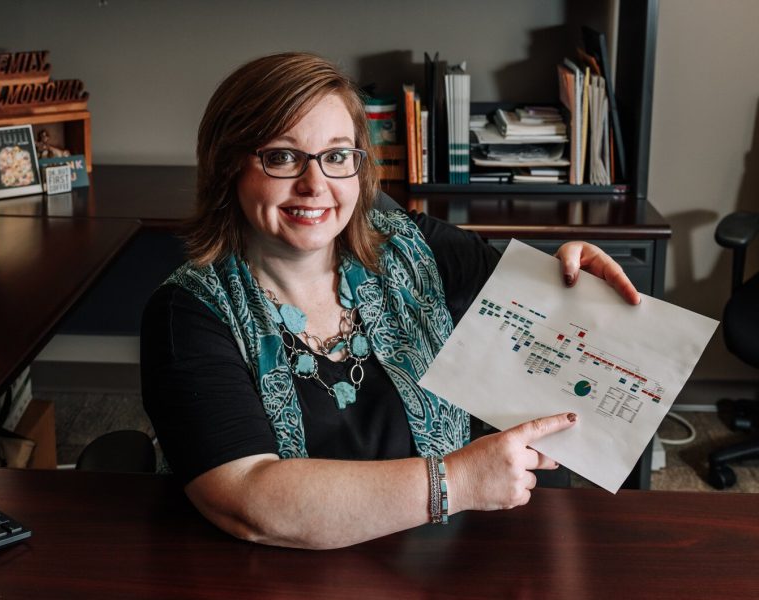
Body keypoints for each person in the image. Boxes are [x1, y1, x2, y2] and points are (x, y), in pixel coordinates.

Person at [140, 52, 641, 550]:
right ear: (227, 166)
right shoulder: (187, 314)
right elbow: (249, 500)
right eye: (283, 156)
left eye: (337, 156)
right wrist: (457, 482)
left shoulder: (413, 245)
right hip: (280, 573)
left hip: (441, 559)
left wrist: (571, 287)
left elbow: (551, 336)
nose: (315, 185)